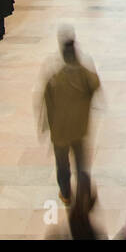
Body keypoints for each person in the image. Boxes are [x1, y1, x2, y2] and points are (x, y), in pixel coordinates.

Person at [39, 31, 101, 206]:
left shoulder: (54, 77)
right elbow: (96, 84)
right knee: (81, 165)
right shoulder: (83, 74)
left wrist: (46, 127)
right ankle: (84, 195)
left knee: (63, 164)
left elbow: (46, 103)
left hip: (59, 131)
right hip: (79, 128)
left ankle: (66, 193)